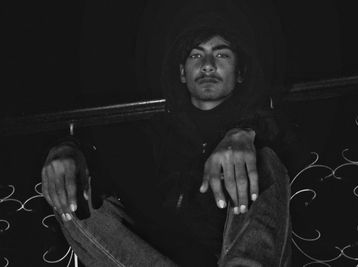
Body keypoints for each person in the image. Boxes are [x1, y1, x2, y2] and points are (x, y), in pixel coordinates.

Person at [41, 5, 295, 267]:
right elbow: (105, 159)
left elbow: (282, 136)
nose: (208, 65)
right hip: (156, 257)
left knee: (262, 158)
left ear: (240, 72)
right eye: (196, 56)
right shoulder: (153, 132)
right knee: (68, 188)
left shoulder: (264, 123)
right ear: (183, 73)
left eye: (221, 55)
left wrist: (246, 135)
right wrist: (68, 149)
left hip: (234, 252)